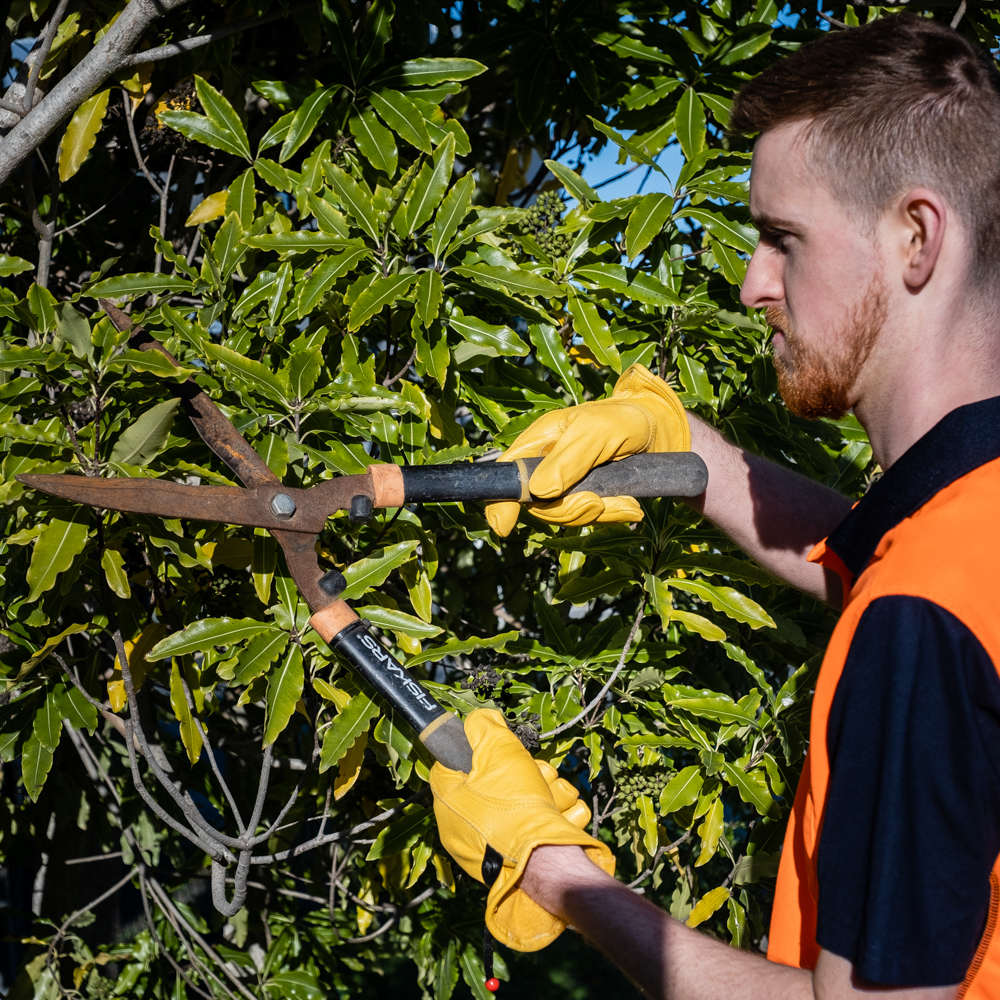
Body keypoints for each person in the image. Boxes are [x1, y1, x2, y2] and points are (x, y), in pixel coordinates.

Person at [429, 13, 1000, 999]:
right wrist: (690, 450)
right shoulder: (963, 527)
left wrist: (558, 876)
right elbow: (893, 566)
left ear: (916, 236)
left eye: (783, 239)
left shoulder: (920, 616)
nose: (751, 284)